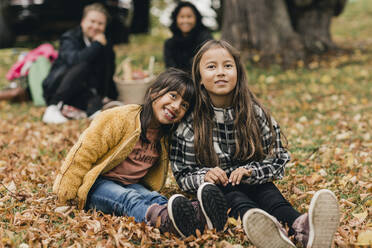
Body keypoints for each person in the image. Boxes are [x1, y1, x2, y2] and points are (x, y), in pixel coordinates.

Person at [170, 40, 340, 247]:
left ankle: (302, 226)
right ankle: (268, 233)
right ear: (200, 79)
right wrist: (204, 175)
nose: (221, 72)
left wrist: (251, 172)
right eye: (211, 67)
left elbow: (278, 159)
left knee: (270, 195)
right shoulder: (190, 123)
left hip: (254, 180)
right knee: (235, 198)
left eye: (228, 66)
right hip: (220, 188)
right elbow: (182, 173)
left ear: (238, 73)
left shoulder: (255, 113)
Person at [52, 68, 227, 238]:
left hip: (131, 183)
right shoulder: (119, 118)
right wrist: (64, 197)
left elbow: (191, 154)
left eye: (184, 105)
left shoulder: (166, 135)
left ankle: (198, 217)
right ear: (153, 93)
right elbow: (82, 154)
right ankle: (164, 221)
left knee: (155, 198)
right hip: (97, 185)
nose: (176, 106)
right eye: (173, 96)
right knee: (129, 199)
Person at [42, 3, 119, 124]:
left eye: (100, 23)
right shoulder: (69, 38)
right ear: (83, 22)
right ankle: (52, 108)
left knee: (96, 106)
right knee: (83, 64)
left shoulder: (105, 43)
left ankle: (90, 112)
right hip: (56, 88)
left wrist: (111, 96)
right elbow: (75, 61)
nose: (95, 26)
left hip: (81, 90)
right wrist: (96, 45)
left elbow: (108, 72)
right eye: (92, 21)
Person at [163, 1, 213, 72]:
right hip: (177, 81)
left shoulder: (205, 39)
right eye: (182, 17)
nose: (185, 20)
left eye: (189, 16)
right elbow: (169, 69)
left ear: (196, 18)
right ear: (176, 19)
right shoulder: (169, 44)